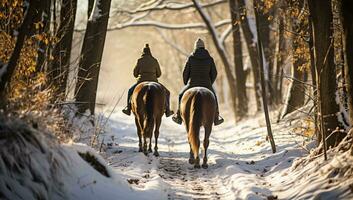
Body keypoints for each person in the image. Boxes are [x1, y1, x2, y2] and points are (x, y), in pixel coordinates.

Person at [172, 38, 224, 126]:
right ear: (204, 47)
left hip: (192, 84)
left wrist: (186, 82)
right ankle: (216, 117)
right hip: (206, 84)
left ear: (195, 47)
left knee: (181, 95)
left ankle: (178, 116)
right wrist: (209, 82)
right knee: (214, 96)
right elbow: (214, 73)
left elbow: (185, 72)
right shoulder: (209, 59)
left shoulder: (191, 58)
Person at [122, 44, 173, 117]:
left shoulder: (139, 60)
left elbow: (135, 73)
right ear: (150, 53)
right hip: (154, 81)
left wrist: (139, 75)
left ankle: (128, 108)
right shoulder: (154, 60)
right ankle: (167, 110)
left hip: (141, 81)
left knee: (130, 91)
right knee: (167, 92)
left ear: (143, 53)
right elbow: (159, 73)